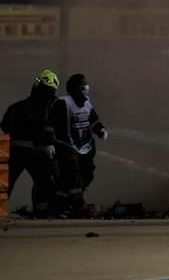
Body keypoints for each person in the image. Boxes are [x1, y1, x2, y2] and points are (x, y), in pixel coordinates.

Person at [0, 70, 61, 216]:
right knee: (43, 182)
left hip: (11, 150)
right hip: (35, 152)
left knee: (6, 183)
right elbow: (48, 128)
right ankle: (42, 212)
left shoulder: (16, 107)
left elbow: (4, 126)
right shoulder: (46, 108)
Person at [51, 74, 108, 215]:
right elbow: (51, 123)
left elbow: (92, 118)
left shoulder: (87, 102)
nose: (86, 86)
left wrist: (100, 129)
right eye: (83, 83)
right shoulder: (63, 103)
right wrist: (49, 143)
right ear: (75, 86)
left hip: (85, 146)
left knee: (85, 174)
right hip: (67, 146)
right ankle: (78, 205)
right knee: (73, 175)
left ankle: (59, 204)